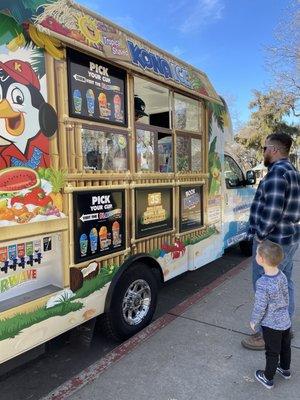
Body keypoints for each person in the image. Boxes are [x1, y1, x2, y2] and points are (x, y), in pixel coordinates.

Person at [242, 132, 300, 350]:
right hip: (289, 239)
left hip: (273, 242)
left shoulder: (277, 174)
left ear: (274, 150)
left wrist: (259, 235)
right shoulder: (293, 172)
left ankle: (267, 336)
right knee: (285, 284)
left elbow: (272, 211)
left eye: (265, 148)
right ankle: (284, 329)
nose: (263, 152)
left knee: (265, 287)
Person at [250, 240, 291, 389]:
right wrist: (284, 310)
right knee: (285, 347)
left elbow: (260, 306)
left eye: (256, 253)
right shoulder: (282, 276)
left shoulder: (262, 282)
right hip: (285, 321)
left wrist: (254, 321)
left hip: (271, 324)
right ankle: (285, 370)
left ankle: (268, 378)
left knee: (272, 352)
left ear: (261, 259)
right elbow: (287, 296)